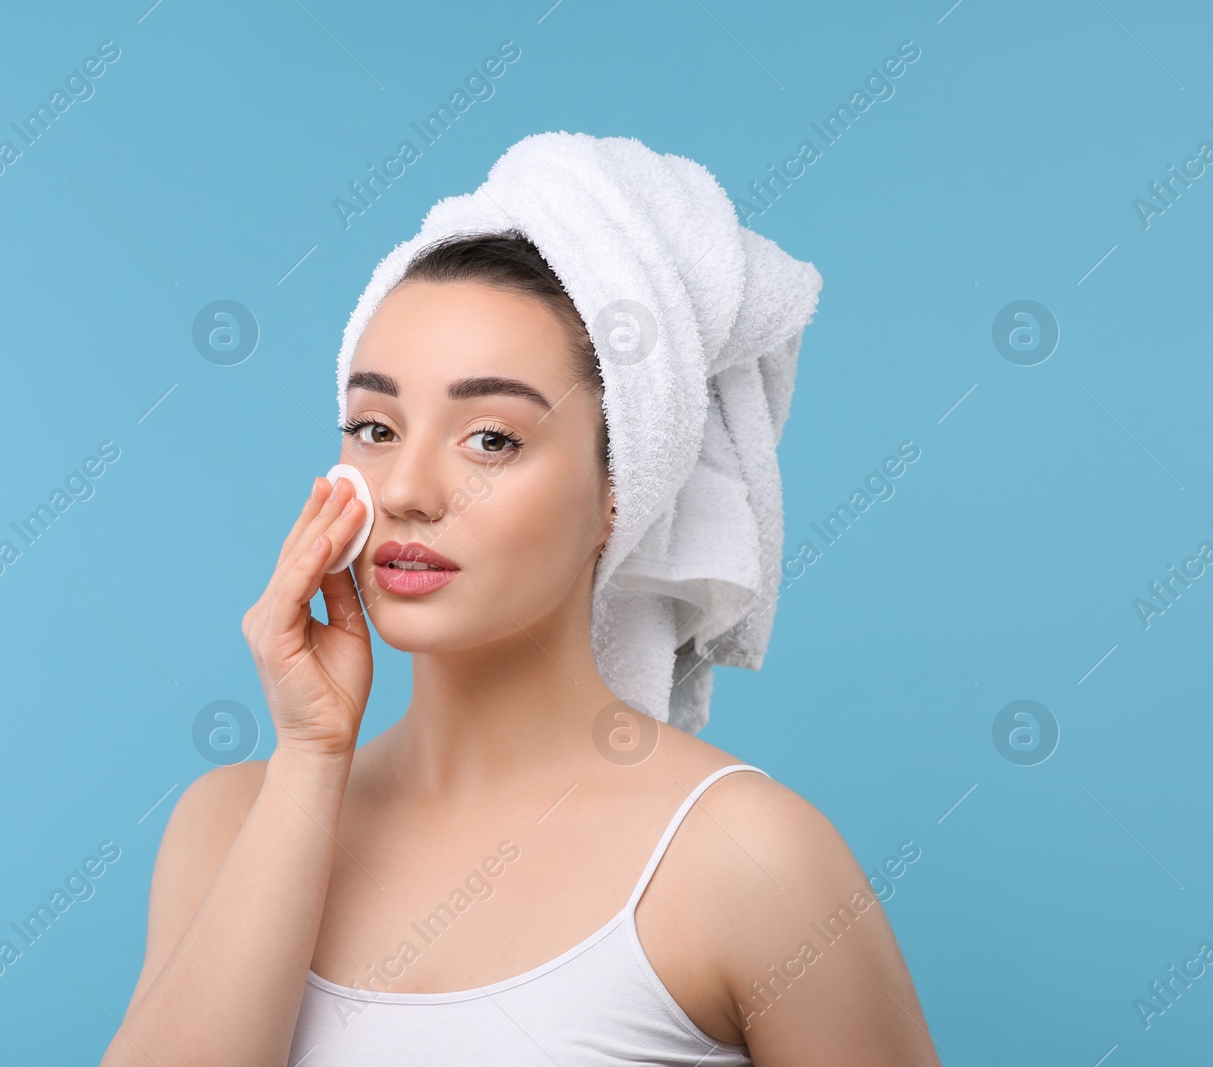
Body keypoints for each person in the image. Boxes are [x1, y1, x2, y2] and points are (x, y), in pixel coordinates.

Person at [101, 231, 941, 1066]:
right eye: (375, 427)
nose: (407, 492)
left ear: (622, 488)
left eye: (491, 439)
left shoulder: (750, 860)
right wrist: (312, 758)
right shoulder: (231, 821)